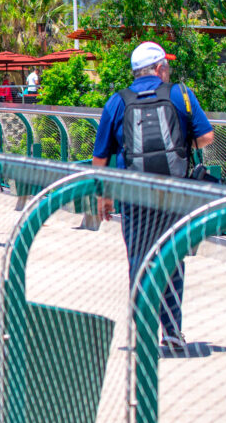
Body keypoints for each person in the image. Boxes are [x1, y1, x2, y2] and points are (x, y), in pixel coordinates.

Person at [91, 41, 215, 352]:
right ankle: (172, 332)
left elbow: (100, 156)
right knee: (172, 258)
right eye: (166, 66)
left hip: (133, 194)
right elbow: (207, 136)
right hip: (174, 193)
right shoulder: (179, 94)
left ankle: (143, 331)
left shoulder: (117, 102)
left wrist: (104, 196)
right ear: (159, 68)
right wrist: (179, 147)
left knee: (139, 259)